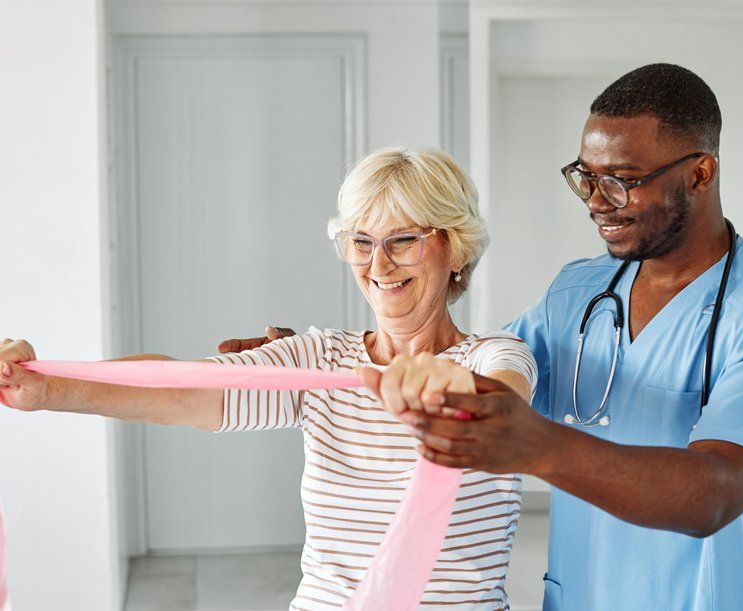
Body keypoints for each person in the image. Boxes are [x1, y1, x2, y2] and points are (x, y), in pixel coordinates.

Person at [224, 65, 743, 610]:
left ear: (700, 173)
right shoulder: (579, 294)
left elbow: (716, 494)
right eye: (587, 178)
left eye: (623, 182)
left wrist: (536, 444)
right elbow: (467, 377)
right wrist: (326, 366)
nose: (598, 203)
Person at [0, 148, 537, 609]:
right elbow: (184, 387)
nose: (378, 264)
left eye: (402, 240)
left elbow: (506, 405)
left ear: (455, 247)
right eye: (361, 241)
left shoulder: (494, 355)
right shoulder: (323, 360)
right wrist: (47, 388)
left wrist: (448, 390)